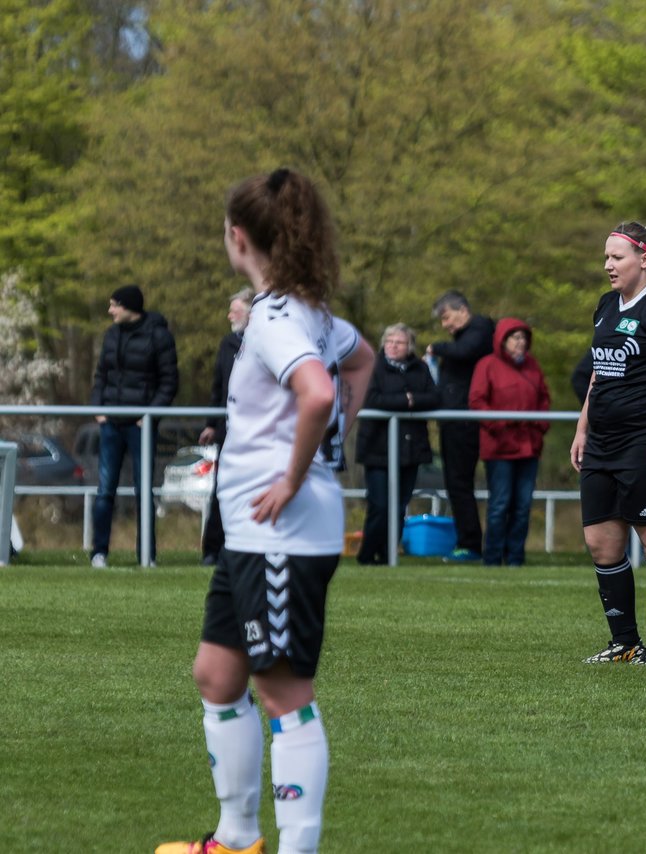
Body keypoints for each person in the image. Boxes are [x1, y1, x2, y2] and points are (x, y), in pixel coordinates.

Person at [157, 168, 374, 854]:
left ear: (238, 236)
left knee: (284, 693)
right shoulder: (307, 312)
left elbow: (316, 394)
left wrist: (297, 472)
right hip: (253, 533)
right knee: (217, 675)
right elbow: (362, 361)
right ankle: (236, 837)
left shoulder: (279, 319)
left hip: (280, 531)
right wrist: (343, 435)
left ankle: (296, 849)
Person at [571, 221, 646, 665]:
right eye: (605, 257)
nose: (607, 265)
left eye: (616, 257)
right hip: (602, 442)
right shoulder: (605, 307)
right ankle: (623, 642)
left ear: (645, 258)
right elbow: (598, 373)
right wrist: (583, 428)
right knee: (602, 543)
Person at [88, 283, 179, 568]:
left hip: (141, 427)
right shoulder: (111, 335)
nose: (110, 310)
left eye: (114, 304)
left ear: (129, 307)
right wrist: (98, 409)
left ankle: (146, 555)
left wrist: (149, 415)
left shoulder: (159, 336)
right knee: (105, 491)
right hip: (111, 424)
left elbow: (169, 382)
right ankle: (99, 553)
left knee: (144, 491)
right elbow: (101, 375)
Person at [354, 324, 440, 565]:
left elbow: (434, 397)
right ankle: (367, 554)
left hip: (410, 449)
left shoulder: (420, 368)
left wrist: (407, 401)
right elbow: (371, 399)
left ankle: (388, 553)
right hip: (377, 447)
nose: (392, 345)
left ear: (410, 346)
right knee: (380, 505)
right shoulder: (372, 366)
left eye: (399, 342)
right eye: (389, 340)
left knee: (400, 505)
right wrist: (408, 400)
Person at [469, 318, 551, 566]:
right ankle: (492, 558)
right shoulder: (487, 365)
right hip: (500, 448)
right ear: (502, 341)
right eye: (515, 337)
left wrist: (539, 427)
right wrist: (502, 424)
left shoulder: (532, 366)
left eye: (524, 337)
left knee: (523, 505)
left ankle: (515, 558)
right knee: (500, 504)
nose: (521, 342)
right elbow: (477, 401)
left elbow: (544, 399)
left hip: (529, 447)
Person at [425, 290, 494, 561]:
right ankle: (470, 541)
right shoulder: (468, 335)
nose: (444, 325)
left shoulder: (478, 331)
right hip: (456, 419)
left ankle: (470, 544)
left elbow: (464, 351)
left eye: (446, 317)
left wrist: (436, 348)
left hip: (463, 421)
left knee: (459, 482)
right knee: (457, 482)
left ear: (463, 310)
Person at [198, 289, 254, 566]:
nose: (229, 315)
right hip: (229, 429)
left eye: (235, 310)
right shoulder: (227, 344)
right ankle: (213, 549)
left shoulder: (266, 344)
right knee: (222, 490)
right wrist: (211, 424)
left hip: (257, 430)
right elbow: (218, 386)